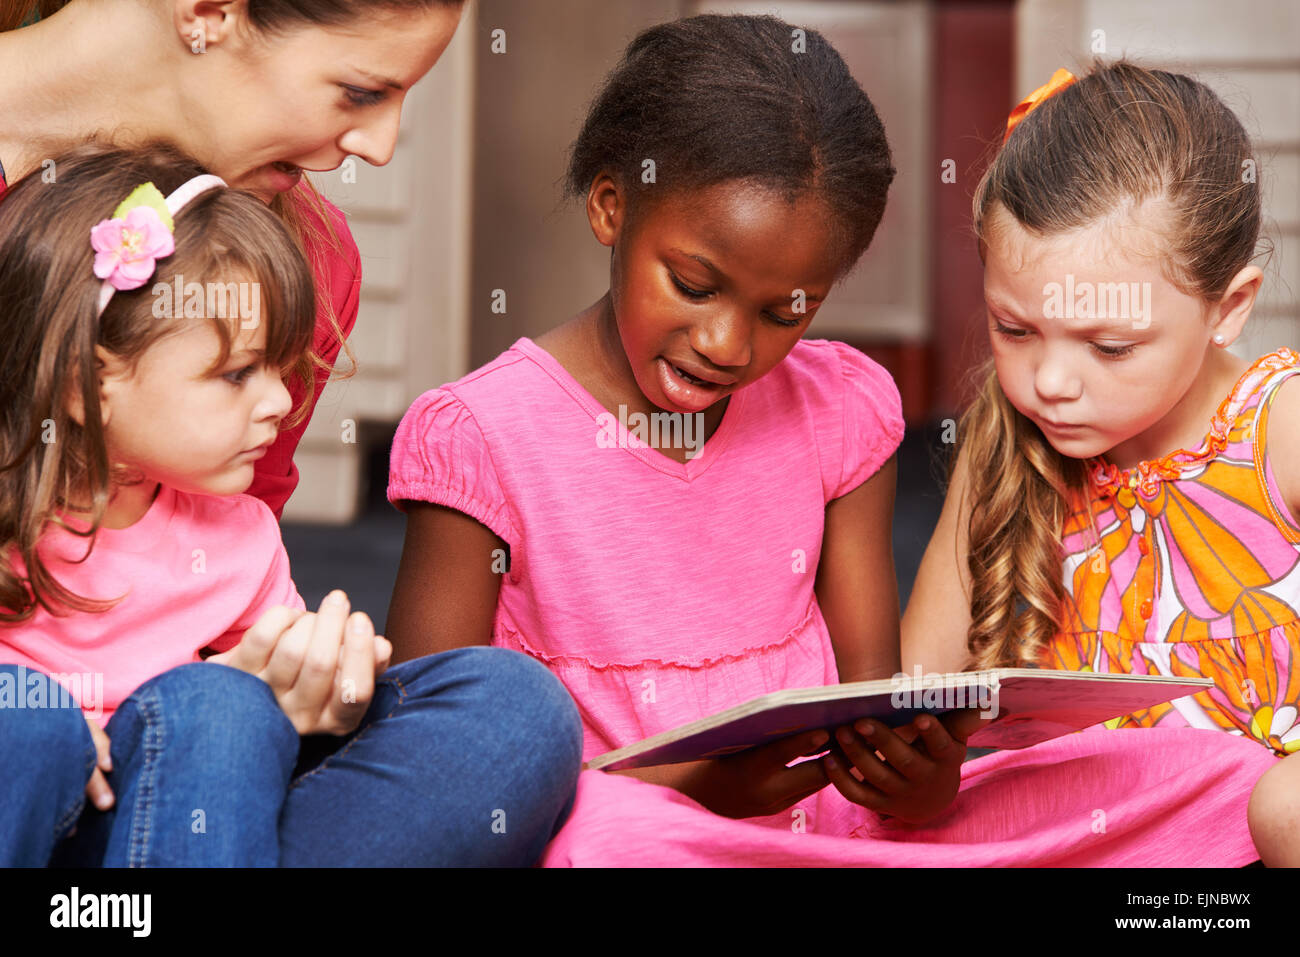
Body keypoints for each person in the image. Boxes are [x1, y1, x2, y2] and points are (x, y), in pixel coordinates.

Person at [385, 18, 1275, 865]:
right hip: (641, 830)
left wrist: (916, 778)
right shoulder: (482, 437)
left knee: (1214, 777)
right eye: (695, 285)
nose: (730, 346)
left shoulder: (840, 409)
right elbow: (447, 767)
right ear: (611, 207)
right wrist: (696, 789)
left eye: (786, 311)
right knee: (607, 837)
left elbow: (878, 704)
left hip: (841, 833)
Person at [0, 143, 581, 866]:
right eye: (238, 373)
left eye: (280, 369)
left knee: (514, 705)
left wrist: (318, 697)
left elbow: (248, 734)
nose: (281, 402)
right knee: (33, 723)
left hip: (192, 823)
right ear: (84, 384)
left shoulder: (238, 536)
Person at [903, 62, 1297, 865]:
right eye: (1014, 329)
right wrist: (914, 769)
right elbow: (915, 694)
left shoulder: (1281, 428)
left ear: (1228, 307)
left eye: (1110, 346)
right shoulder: (1001, 443)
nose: (1049, 381)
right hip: (1044, 841)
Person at [0, 0, 466, 517]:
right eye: (361, 93)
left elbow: (229, 557)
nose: (379, 148)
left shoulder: (302, 259)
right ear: (209, 13)